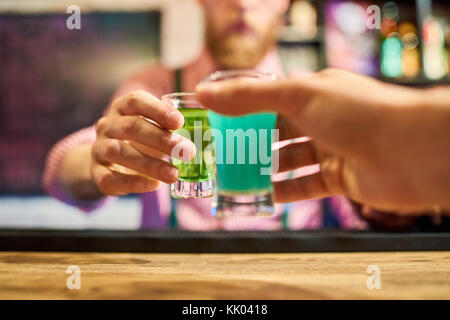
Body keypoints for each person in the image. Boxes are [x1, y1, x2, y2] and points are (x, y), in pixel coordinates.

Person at [42, 0, 370, 230]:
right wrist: (101, 160)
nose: (242, 3)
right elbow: (61, 175)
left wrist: (381, 202)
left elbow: (359, 208)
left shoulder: (313, 94)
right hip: (173, 276)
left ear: (284, 2)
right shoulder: (154, 87)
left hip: (288, 278)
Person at [195, 68, 450, 218]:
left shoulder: (319, 91)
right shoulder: (164, 98)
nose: (243, 3)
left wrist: (397, 155)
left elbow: (353, 220)